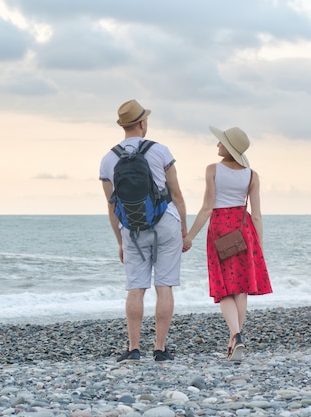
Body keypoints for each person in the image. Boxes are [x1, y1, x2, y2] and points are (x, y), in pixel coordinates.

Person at [99, 99, 187, 362]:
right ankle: (160, 349)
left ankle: (134, 348)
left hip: (132, 229)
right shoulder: (160, 151)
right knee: (164, 286)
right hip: (166, 222)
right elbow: (177, 194)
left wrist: (120, 241)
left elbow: (112, 205)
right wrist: (183, 231)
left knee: (136, 288)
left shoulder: (108, 159)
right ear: (142, 123)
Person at [182, 126, 272, 361]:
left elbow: (206, 208)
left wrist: (190, 236)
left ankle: (236, 335)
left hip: (221, 227)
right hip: (245, 230)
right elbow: (258, 214)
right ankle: (235, 341)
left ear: (229, 148)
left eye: (221, 142)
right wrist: (258, 246)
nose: (217, 145)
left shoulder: (213, 170)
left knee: (224, 289)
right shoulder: (252, 175)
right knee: (241, 288)